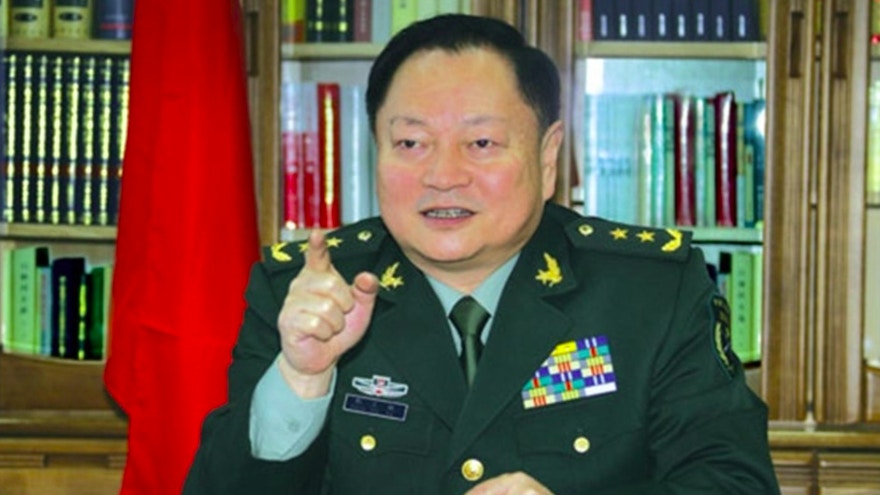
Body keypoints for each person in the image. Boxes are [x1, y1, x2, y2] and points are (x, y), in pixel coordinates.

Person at [183, 13, 780, 494]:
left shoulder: (649, 292)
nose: (443, 176)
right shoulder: (306, 293)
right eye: (410, 142)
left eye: (482, 142)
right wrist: (301, 379)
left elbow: (735, 482)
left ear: (548, 156)